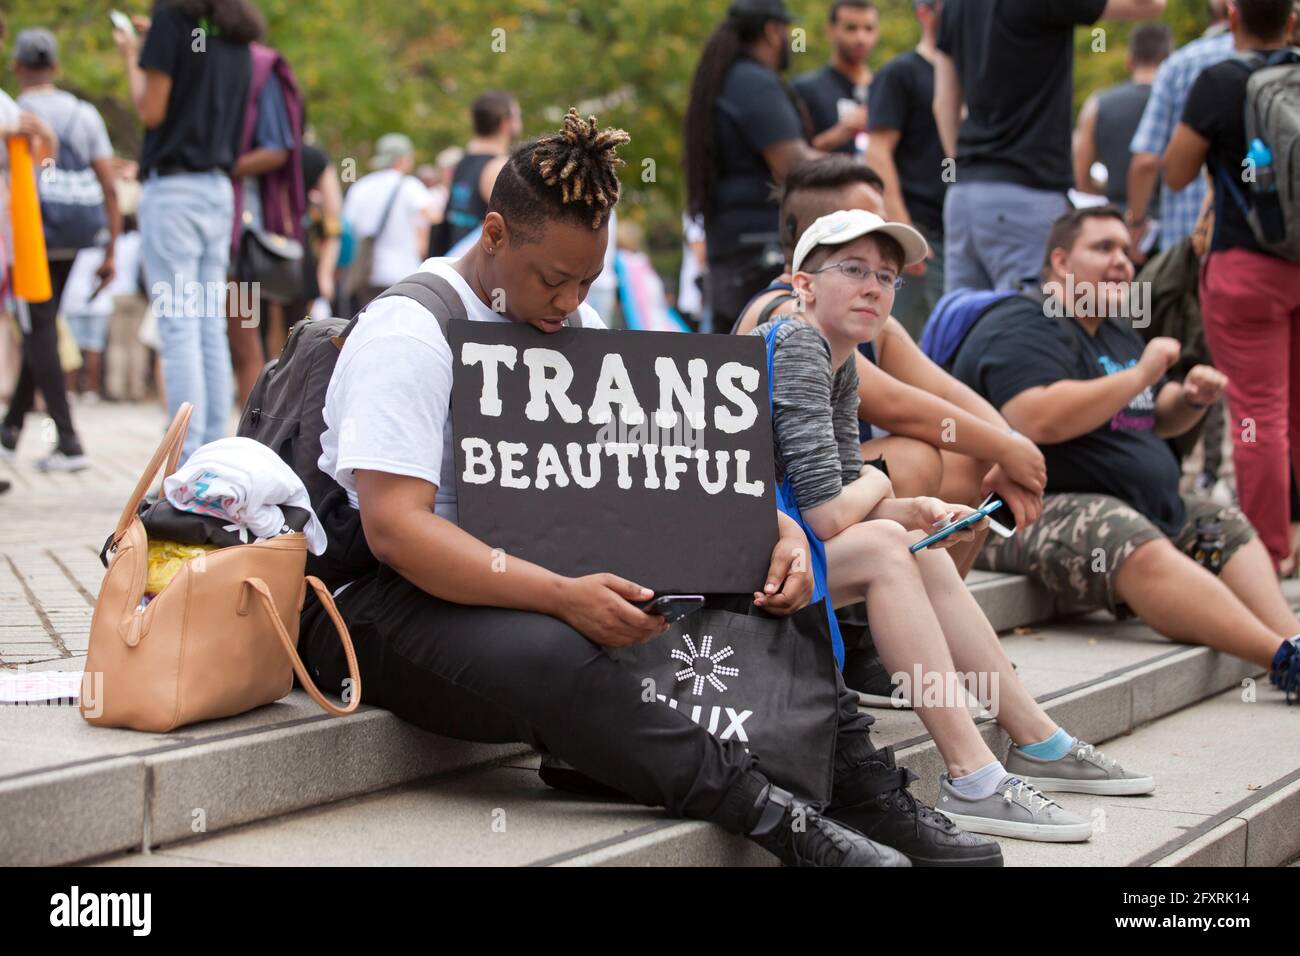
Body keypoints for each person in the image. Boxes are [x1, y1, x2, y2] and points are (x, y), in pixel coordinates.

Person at [297, 108, 990, 868]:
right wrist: (560, 596)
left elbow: (660, 472)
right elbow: (398, 530)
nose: (568, 302)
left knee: (744, 565)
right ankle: (778, 820)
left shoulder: (577, 323)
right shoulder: (409, 334)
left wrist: (774, 531)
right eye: (552, 280)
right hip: (379, 605)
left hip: (540, 560)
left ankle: (861, 787)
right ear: (492, 236)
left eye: (586, 281)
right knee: (559, 650)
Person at [754, 207, 1153, 842]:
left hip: (788, 539)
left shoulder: (840, 356)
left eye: (886, 277)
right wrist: (887, 486)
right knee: (891, 548)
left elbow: (826, 501)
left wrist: (914, 509)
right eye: (853, 270)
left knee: (914, 539)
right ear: (803, 284)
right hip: (745, 549)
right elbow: (831, 513)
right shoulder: (799, 341)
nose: (873, 288)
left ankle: (1036, 740)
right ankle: (974, 776)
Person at [950, 206, 1300, 702]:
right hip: (1028, 511)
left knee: (1222, 522)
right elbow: (1036, 417)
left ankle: (1293, 637)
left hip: (1132, 501)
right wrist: (1141, 374)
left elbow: (1150, 416)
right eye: (1103, 248)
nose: (1123, 262)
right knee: (1124, 532)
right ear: (1061, 261)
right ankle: (1280, 659)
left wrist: (1189, 399)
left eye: (1125, 250)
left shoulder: (1114, 329)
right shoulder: (1020, 321)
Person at [734, 156, 1047, 583]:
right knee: (918, 457)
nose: (883, 236)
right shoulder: (793, 314)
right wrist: (1007, 449)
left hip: (830, 485)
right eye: (867, 227)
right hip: (773, 502)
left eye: (884, 270)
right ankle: (876, 619)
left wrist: (1006, 448)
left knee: (970, 460)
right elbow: (898, 407)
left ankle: (930, 616)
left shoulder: (867, 307)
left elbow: (945, 389)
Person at [1164, 0, 1300, 571]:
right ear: (1292, 20)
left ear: (1231, 14)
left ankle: (1270, 552)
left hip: (1246, 265)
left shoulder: (1219, 80)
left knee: (1258, 416)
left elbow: (1174, 172)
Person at [933, 0, 1168, 293]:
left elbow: (943, 104)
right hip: (1027, 194)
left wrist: (964, 166)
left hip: (964, 195)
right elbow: (1149, 6)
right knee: (1027, 326)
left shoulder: (953, 6)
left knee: (962, 325)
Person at [115, 0, 261, 461]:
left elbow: (151, 109)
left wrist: (131, 54)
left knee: (178, 323)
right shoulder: (238, 35)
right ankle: (212, 449)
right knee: (206, 324)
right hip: (218, 190)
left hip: (174, 189)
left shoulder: (171, 22)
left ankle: (184, 456)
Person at [1, 28, 118, 472]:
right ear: (55, 67)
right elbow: (108, 183)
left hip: (31, 233)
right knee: (43, 324)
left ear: (17, 66)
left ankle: (69, 441)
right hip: (75, 230)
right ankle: (10, 431)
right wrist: (109, 249)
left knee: (38, 327)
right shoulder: (83, 113)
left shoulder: (15, 110)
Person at [684, 0, 826, 332]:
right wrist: (852, 167)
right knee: (763, 363)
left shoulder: (729, 79)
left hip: (735, 249)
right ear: (772, 31)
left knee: (733, 367)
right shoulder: (754, 82)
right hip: (759, 252)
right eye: (788, 31)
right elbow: (792, 165)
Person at [865, 0, 947, 339]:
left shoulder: (973, 77)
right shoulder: (901, 73)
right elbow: (878, 150)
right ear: (924, 12)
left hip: (960, 232)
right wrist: (903, 232)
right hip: (921, 231)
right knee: (912, 340)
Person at [228, 42, 304, 407]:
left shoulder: (257, 67)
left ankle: (253, 435)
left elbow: (277, 149)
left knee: (246, 337)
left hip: (242, 241)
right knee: (246, 336)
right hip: (241, 237)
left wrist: (218, 166)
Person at [1126, 23, 1235, 258]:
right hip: (1275, 246)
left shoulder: (1182, 63)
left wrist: (1135, 225)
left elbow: (1147, 161)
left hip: (1189, 240)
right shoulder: (1289, 61)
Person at [1073, 23, 1172, 214]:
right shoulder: (1178, 102)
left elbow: (1079, 177)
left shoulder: (1098, 103)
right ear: (1169, 59)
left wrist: (1112, 192)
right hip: (1171, 219)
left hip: (1120, 219)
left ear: (1130, 61)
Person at [341, 133, 440, 310]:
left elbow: (348, 225)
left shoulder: (361, 186)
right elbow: (434, 216)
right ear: (402, 158)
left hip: (366, 272)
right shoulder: (409, 185)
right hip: (402, 273)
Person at [432, 92, 519, 256]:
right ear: (506, 123)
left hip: (456, 267)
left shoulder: (460, 163)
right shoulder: (499, 168)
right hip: (480, 275)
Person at [792, 0, 879, 156]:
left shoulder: (884, 87)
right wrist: (841, 132)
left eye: (868, 29)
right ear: (830, 31)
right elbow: (790, 157)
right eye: (851, 28)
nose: (861, 38)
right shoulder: (805, 89)